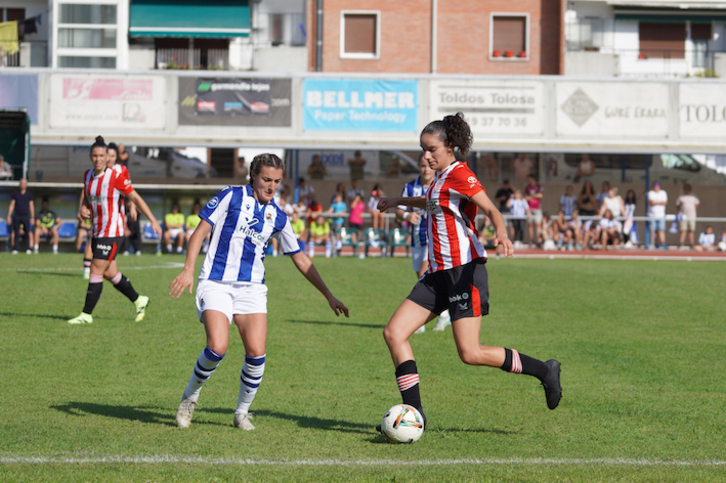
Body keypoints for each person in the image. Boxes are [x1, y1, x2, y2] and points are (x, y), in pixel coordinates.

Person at [375, 113, 562, 434]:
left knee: (470, 353)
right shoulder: (440, 176)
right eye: (422, 149)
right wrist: (399, 201)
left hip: (464, 271)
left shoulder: (460, 173)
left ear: (450, 146)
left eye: (431, 148)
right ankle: (415, 414)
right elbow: (433, 201)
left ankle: (545, 370)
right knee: (394, 333)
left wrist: (501, 232)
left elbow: (491, 209)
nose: (425, 156)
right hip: (438, 274)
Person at [169, 153, 348, 430]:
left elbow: (301, 259)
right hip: (215, 282)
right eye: (266, 179)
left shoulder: (278, 216)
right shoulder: (230, 196)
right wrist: (188, 269)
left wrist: (328, 294)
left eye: (276, 181)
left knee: (256, 353)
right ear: (253, 175)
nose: (271, 186)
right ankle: (190, 397)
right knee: (217, 346)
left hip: (252, 288)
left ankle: (242, 412)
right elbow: (200, 232)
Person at [68, 136, 162, 325]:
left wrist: (153, 220)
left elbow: (135, 197)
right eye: (95, 156)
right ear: (90, 157)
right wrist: (83, 209)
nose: (99, 159)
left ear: (108, 157)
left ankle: (86, 314)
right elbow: (87, 198)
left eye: (102, 155)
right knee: (110, 273)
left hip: (112, 232)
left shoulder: (114, 177)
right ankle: (139, 300)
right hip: (97, 231)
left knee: (95, 268)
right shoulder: (87, 175)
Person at [396, 153, 450, 333]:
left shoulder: (439, 186)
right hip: (417, 239)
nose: (426, 169)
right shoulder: (410, 187)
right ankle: (444, 315)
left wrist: (426, 205)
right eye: (422, 166)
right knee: (422, 278)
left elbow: (440, 208)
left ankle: (419, 320)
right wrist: (407, 215)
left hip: (434, 239)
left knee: (423, 274)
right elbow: (399, 210)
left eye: (429, 166)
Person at [7, 178, 34, 254]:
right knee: (16, 232)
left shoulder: (29, 194)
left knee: (27, 232)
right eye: (21, 183)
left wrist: (32, 217)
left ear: (26, 184)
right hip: (17, 215)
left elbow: (31, 205)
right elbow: (12, 205)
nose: (23, 184)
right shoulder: (15, 193)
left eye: (24, 183)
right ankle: (15, 249)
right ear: (20, 184)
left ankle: (28, 248)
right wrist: (9, 215)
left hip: (26, 215)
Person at [676, 184, 700, 249]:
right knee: (683, 230)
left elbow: (696, 204)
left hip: (692, 216)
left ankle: (691, 243)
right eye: (685, 189)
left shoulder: (693, 196)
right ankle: (681, 243)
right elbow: (678, 206)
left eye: (688, 189)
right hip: (683, 216)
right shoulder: (681, 197)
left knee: (691, 230)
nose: (686, 190)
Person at [647, 182, 668, 249]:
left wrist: (656, 202)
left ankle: (663, 243)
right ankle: (655, 243)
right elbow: (652, 202)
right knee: (654, 230)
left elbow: (665, 202)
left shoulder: (663, 193)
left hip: (661, 215)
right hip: (652, 215)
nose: (656, 187)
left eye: (657, 186)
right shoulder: (651, 193)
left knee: (661, 230)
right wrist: (660, 202)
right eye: (655, 186)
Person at [524, 175, 543, 247]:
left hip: (537, 208)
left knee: (538, 225)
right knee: (530, 225)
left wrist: (531, 196)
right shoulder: (527, 188)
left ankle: (539, 241)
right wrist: (535, 196)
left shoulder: (538, 186)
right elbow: (526, 197)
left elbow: (540, 195)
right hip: (529, 208)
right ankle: (532, 241)